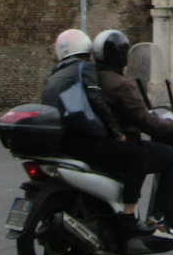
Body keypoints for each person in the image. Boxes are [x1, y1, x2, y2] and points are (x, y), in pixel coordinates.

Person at [42, 28, 166, 241]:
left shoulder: (58, 73)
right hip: (82, 139)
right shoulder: (85, 68)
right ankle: (128, 218)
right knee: (137, 155)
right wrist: (117, 132)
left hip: (62, 140)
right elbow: (96, 99)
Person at [92, 29, 173, 237]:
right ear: (121, 56)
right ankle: (157, 218)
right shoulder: (120, 85)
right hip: (121, 144)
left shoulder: (92, 78)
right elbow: (146, 122)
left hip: (99, 142)